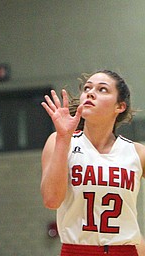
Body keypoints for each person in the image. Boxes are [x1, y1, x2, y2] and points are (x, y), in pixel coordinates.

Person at [41, 70, 145, 256]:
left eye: (102, 89)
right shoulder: (60, 141)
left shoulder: (136, 152)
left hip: (124, 250)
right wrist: (64, 139)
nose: (90, 93)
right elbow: (51, 200)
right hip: (76, 250)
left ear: (120, 106)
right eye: (87, 88)